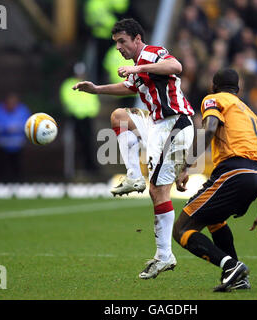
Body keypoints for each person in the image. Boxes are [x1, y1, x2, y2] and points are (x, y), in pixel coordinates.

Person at [73, 18, 195, 279]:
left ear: (137, 39)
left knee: (158, 190)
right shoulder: (139, 67)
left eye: (122, 41)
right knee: (119, 116)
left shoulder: (150, 53)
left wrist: (139, 68)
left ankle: (164, 256)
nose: (118, 47)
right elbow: (126, 87)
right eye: (116, 42)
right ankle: (133, 177)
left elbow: (177, 65)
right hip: (158, 125)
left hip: (175, 123)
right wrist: (95, 90)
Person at [173, 69, 257, 292]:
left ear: (213, 87)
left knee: (181, 229)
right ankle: (238, 278)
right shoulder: (251, 116)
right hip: (256, 177)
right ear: (238, 90)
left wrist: (186, 166)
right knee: (214, 219)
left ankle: (231, 266)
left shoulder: (213, 99)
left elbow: (209, 131)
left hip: (234, 173)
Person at [0, 92, 30, 182]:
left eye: (14, 102)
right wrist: (6, 128)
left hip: (17, 144)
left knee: (17, 166)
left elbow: (28, 124)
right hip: (2, 144)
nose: (12, 105)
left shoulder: (23, 110)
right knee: (1, 166)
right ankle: (0, 183)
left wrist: (17, 128)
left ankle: (18, 183)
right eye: (10, 102)